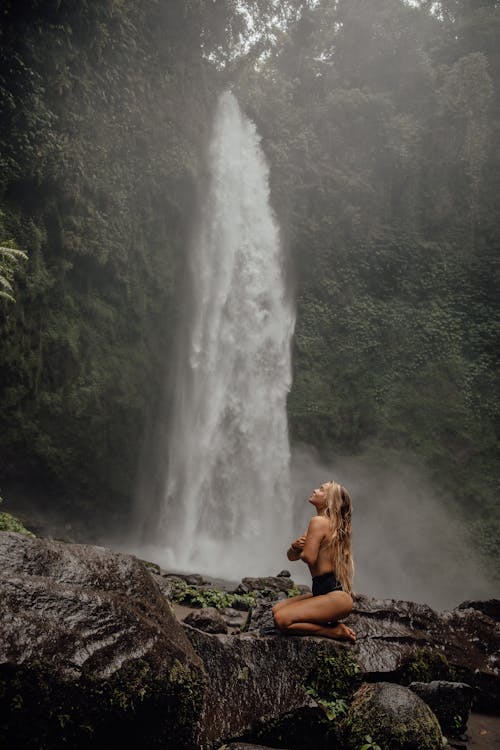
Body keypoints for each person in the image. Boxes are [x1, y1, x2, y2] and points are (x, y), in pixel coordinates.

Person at [272, 480, 356, 642]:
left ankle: (332, 632)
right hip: (325, 593)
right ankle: (329, 623)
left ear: (330, 501)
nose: (315, 490)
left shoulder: (317, 522)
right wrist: (295, 547)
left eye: (321, 490)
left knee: (281, 620)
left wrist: (304, 549)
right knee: (276, 610)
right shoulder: (326, 523)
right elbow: (292, 556)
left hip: (335, 596)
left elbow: (309, 558)